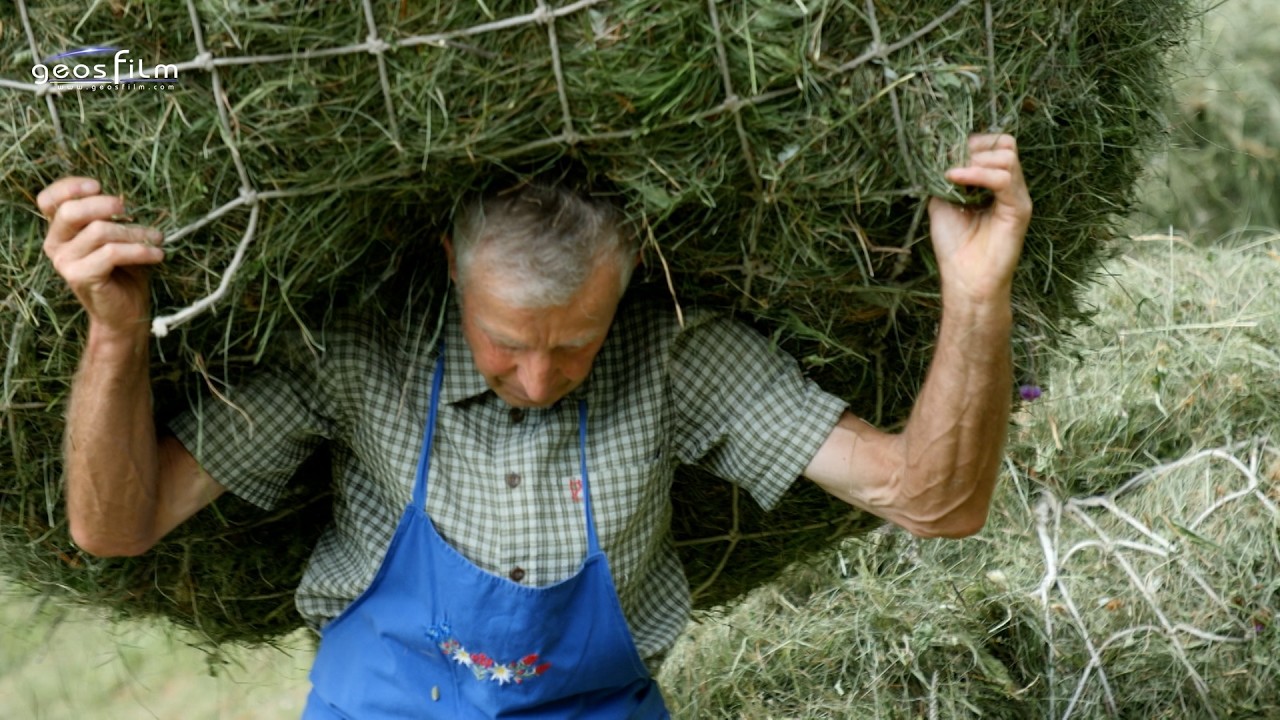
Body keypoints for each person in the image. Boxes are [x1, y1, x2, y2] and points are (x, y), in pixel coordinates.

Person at [38, 133, 1031, 718]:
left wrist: (976, 297)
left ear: (630, 285)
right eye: (506, 340)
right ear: (448, 271)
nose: (540, 376)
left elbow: (931, 501)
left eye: (575, 343)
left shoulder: (676, 355)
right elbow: (115, 527)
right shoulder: (355, 350)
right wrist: (119, 334)